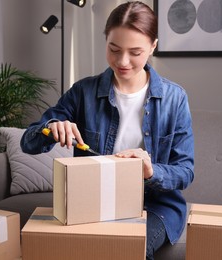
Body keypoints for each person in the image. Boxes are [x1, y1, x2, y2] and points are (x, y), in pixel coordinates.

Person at [21, 1, 194, 259]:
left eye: (135, 52)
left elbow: (185, 171)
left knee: (129, 248)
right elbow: (28, 142)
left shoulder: (174, 98)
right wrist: (51, 127)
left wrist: (151, 171)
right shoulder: (83, 92)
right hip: (93, 202)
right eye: (114, 49)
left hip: (157, 206)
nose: (122, 61)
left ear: (153, 47)